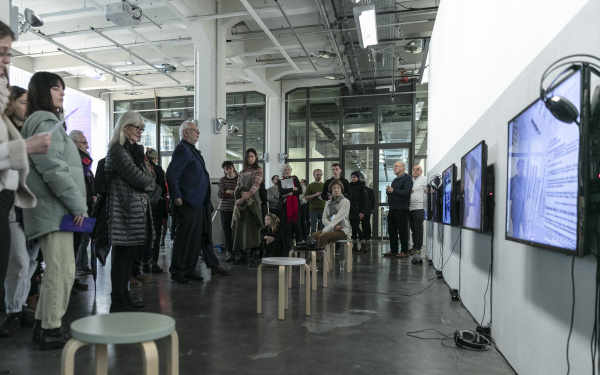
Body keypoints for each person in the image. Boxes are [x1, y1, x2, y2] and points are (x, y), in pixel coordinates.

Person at [21, 71, 88, 350]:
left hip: (53, 210)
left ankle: (42, 324)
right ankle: (50, 329)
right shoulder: (44, 120)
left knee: (59, 271)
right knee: (61, 271)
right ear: (41, 91)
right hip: (55, 210)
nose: (62, 93)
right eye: (56, 88)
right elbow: (54, 170)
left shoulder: (46, 122)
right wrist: (78, 205)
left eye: (63, 88)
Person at [0, 24, 51, 339]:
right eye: (1, 52)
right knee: (18, 262)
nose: (6, 61)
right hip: (7, 202)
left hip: (11, 199)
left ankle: (16, 309)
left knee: (23, 262)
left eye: (8, 53)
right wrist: (27, 147)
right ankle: (13, 311)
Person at [104, 110, 156, 311]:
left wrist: (147, 177)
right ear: (125, 128)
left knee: (129, 256)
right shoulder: (117, 150)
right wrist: (148, 178)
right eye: (138, 128)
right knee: (122, 256)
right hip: (122, 211)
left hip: (134, 212)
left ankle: (124, 296)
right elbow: (141, 178)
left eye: (142, 128)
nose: (141, 132)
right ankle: (118, 300)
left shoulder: (133, 151)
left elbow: (147, 177)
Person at [166, 120, 211, 283]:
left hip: (197, 202)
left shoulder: (191, 150)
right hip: (186, 201)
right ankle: (177, 271)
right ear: (185, 132)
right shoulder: (182, 149)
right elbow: (171, 174)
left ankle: (189, 269)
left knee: (194, 239)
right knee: (184, 238)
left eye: (198, 130)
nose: (198, 133)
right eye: (195, 130)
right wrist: (176, 196)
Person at [68, 130, 96, 276]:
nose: (87, 147)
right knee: (72, 247)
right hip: (73, 211)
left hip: (85, 208)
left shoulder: (85, 166)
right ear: (73, 144)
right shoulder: (72, 161)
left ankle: (74, 277)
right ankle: (72, 276)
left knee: (81, 242)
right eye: (84, 143)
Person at [231, 148, 263, 266]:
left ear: (255, 157)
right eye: (248, 156)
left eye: (252, 156)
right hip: (242, 205)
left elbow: (256, 185)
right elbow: (237, 186)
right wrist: (240, 196)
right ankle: (244, 256)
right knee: (242, 230)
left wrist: (245, 196)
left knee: (253, 230)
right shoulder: (242, 172)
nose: (250, 159)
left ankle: (255, 257)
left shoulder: (258, 170)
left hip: (253, 203)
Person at [310, 180, 351, 262]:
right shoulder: (328, 202)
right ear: (331, 191)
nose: (336, 190)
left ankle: (315, 262)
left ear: (341, 189)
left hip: (342, 230)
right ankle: (310, 259)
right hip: (331, 228)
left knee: (322, 236)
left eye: (338, 188)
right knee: (314, 235)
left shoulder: (345, 201)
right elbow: (324, 219)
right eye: (334, 188)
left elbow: (338, 218)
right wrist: (333, 226)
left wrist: (326, 230)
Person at [143, 148, 167, 274]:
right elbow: (163, 189)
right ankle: (154, 263)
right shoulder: (158, 169)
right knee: (155, 235)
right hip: (156, 206)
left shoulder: (141, 168)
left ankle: (144, 262)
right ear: (155, 158)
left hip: (143, 206)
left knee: (145, 235)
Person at [383, 161, 413, 258]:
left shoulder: (407, 178)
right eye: (394, 166)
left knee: (402, 230)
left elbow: (407, 193)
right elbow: (395, 193)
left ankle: (404, 251)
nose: (394, 168)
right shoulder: (395, 180)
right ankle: (394, 250)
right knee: (391, 230)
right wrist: (389, 191)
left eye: (396, 166)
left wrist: (393, 190)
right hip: (393, 208)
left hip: (401, 209)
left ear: (402, 168)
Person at [277, 164, 302, 253]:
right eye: (285, 170)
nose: (287, 171)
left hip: (296, 207)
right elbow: (281, 191)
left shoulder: (295, 179)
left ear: (290, 171)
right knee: (287, 228)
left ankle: (299, 247)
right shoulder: (280, 181)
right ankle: (287, 248)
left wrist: (290, 193)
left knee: (297, 227)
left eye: (288, 170)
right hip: (285, 208)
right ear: (283, 172)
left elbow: (300, 190)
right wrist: (292, 189)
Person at [218, 161, 237, 262]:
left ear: (233, 168)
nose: (229, 170)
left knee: (238, 231)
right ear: (224, 170)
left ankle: (239, 252)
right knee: (227, 231)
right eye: (226, 169)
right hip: (225, 209)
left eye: (230, 168)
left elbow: (241, 192)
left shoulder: (239, 178)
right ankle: (230, 252)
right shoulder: (222, 180)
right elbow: (220, 194)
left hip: (237, 209)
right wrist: (230, 193)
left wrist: (231, 192)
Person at [408, 165, 426, 255]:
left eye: (417, 170)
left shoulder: (424, 179)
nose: (415, 171)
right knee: (413, 229)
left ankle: (418, 248)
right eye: (413, 169)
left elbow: (428, 191)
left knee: (418, 229)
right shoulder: (410, 180)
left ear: (421, 171)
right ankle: (414, 246)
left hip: (419, 208)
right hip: (410, 208)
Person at [349, 171, 369, 253]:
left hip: (358, 210)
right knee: (354, 228)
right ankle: (355, 246)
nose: (353, 178)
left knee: (356, 227)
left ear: (358, 177)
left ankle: (363, 245)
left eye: (354, 177)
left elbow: (364, 200)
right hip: (350, 210)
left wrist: (362, 211)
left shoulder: (361, 186)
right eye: (352, 177)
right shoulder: (350, 186)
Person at [305, 169, 325, 235]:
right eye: (317, 175)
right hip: (313, 209)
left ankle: (320, 242)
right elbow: (306, 197)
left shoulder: (325, 185)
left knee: (321, 228)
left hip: (323, 209)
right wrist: (315, 195)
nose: (319, 176)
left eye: (320, 175)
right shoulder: (310, 186)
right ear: (314, 175)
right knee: (313, 228)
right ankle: (313, 242)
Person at [510, 159, 527, 238]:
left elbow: (529, 193)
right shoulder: (512, 180)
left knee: (525, 229)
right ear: (517, 167)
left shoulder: (526, 180)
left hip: (523, 208)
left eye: (523, 166)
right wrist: (515, 195)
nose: (522, 168)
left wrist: (524, 195)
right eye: (520, 166)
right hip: (515, 208)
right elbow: (508, 194)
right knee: (516, 231)